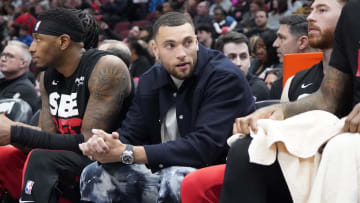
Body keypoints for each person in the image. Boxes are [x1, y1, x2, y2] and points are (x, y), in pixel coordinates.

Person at [78, 11, 255, 203]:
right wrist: (105, 144)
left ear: (196, 42)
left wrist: (128, 153)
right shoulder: (150, 80)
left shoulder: (224, 77)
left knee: (176, 178)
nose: (181, 54)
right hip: (166, 173)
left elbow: (203, 148)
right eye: (170, 45)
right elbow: (132, 133)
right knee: (94, 173)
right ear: (155, 49)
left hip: (220, 176)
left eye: (187, 43)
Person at [179, 12, 334, 203]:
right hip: (282, 156)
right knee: (196, 182)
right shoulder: (293, 81)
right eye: (231, 56)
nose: (275, 44)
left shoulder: (259, 87)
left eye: (281, 38)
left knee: (242, 150)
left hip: (319, 157)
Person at [220, 0, 350, 202]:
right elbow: (327, 99)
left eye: (322, 10)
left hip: (335, 151)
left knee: (245, 151)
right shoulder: (297, 80)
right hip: (308, 151)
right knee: (243, 147)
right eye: (312, 9)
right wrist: (277, 111)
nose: (310, 17)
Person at [0, 7, 133, 203]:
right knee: (5, 155)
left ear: (63, 41)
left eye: (38, 39)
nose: (31, 48)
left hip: (110, 164)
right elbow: (47, 138)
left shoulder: (106, 69)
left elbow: (90, 145)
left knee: (41, 158)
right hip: (62, 161)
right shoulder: (47, 75)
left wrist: (15, 132)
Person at [215, 31, 270, 101]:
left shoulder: (259, 89)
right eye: (232, 57)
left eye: (243, 57)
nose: (238, 63)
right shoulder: (210, 87)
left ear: (250, 60)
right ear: (219, 61)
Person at [0, 40, 40, 114]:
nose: (3, 59)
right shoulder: (4, 81)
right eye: (3, 55)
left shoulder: (24, 89)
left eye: (10, 56)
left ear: (23, 63)